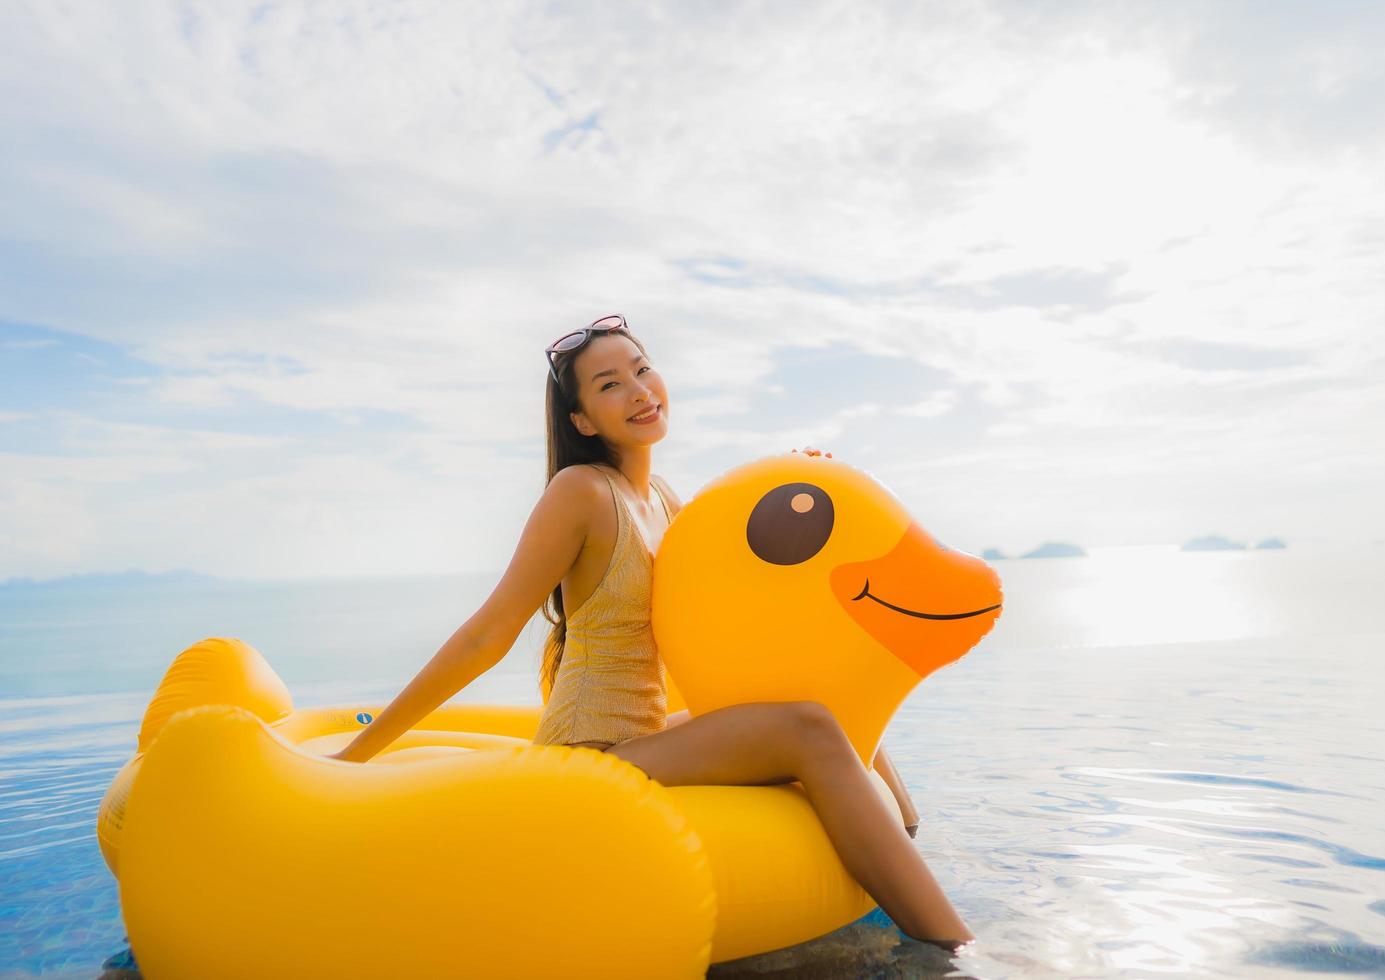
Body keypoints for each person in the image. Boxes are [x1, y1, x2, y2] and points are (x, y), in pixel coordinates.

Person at [328, 314, 975, 952]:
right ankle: (956, 951)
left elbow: (750, 580)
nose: (638, 390)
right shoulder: (579, 492)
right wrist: (356, 756)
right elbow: (487, 635)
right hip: (590, 752)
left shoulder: (663, 497)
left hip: (646, 739)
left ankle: (912, 839)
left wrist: (804, 480)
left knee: (817, 701)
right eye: (609, 384)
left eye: (641, 370)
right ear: (582, 420)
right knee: (804, 727)